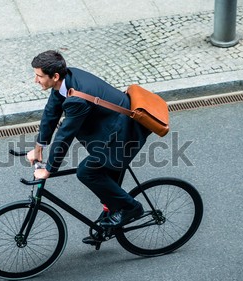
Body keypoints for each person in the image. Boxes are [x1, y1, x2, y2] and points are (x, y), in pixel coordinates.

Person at [27, 50, 151, 240]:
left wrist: (49, 169)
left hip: (123, 133)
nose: (35, 80)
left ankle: (130, 208)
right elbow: (51, 113)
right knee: (105, 178)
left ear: (55, 76)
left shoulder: (76, 98)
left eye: (39, 76)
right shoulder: (66, 80)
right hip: (109, 126)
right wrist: (38, 148)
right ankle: (109, 223)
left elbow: (65, 135)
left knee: (87, 171)